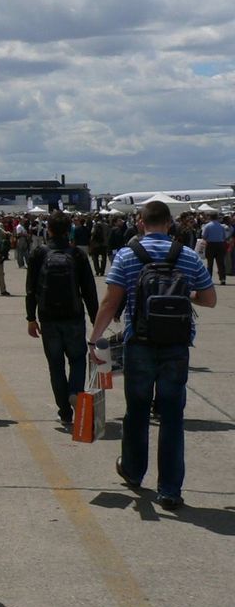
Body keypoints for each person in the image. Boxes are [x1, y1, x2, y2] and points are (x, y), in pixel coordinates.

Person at [89, 201, 215, 510]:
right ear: (170, 224)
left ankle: (133, 471)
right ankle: (170, 490)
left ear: (141, 223)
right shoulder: (187, 256)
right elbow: (209, 299)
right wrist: (185, 293)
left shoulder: (126, 256)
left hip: (140, 343)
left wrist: (94, 340)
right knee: (172, 417)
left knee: (137, 412)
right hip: (176, 346)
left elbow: (109, 302)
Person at [25, 212, 99, 427]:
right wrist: (96, 319)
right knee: (77, 359)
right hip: (74, 316)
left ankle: (65, 412)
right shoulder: (76, 254)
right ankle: (75, 391)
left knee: (55, 365)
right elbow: (89, 290)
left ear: (48, 229)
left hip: (48, 318)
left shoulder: (39, 253)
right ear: (69, 230)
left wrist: (31, 317)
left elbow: (31, 289)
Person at [200, 212, 229, 285]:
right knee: (221, 263)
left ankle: (209, 279)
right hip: (220, 244)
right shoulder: (221, 226)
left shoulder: (207, 226)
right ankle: (222, 279)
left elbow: (203, 236)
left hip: (210, 245)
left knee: (210, 263)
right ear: (217, 217)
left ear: (210, 217)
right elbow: (224, 237)